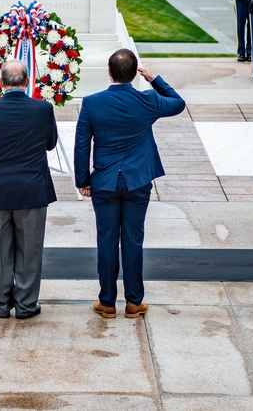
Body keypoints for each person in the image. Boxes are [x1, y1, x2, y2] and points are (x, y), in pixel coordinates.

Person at [74, 49, 185, 319]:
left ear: (109, 72)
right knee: (134, 241)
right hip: (137, 181)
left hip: (105, 182)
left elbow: (81, 145)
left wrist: (82, 181)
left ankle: (108, 302)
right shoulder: (148, 100)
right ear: (135, 73)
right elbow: (178, 102)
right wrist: (154, 79)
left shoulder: (92, 103)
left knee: (107, 241)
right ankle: (134, 302)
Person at [0, 60, 58, 320]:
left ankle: (0, 303)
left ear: (1, 83)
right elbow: (50, 144)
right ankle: (27, 304)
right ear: (26, 82)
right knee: (29, 252)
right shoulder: (43, 109)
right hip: (31, 190)